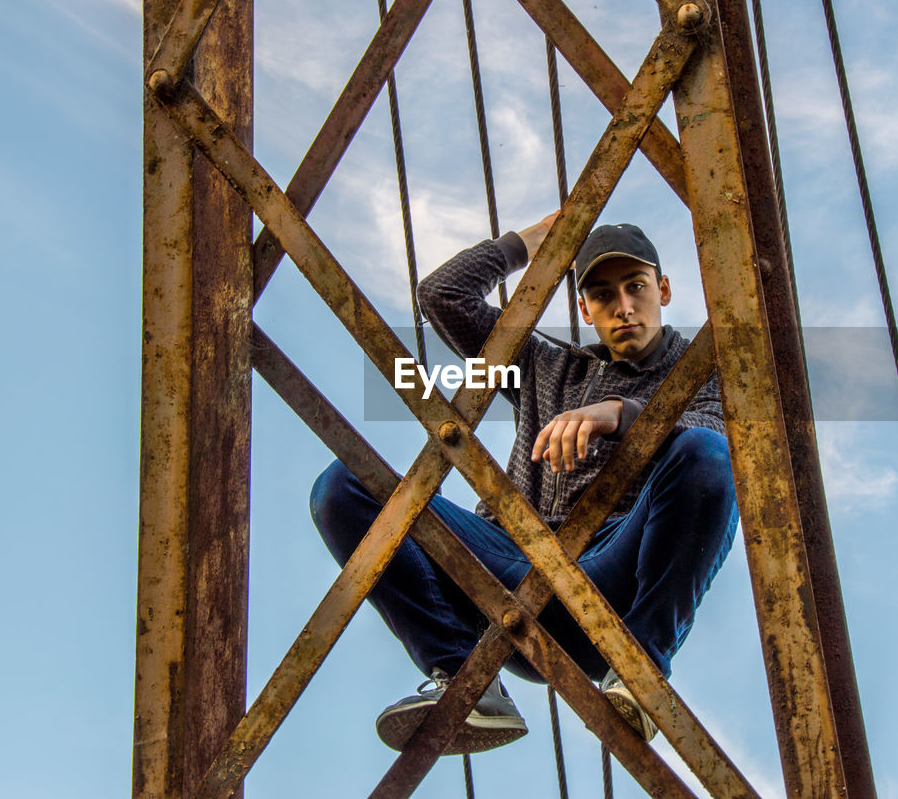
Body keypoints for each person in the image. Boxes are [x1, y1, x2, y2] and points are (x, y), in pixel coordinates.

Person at [310, 214, 739, 754]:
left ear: (664, 289)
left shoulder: (703, 368)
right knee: (346, 486)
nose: (624, 307)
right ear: (584, 309)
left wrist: (621, 414)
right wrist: (531, 244)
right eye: (603, 295)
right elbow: (442, 296)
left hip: (610, 580)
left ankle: (640, 674)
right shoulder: (544, 366)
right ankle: (469, 684)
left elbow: (718, 443)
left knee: (706, 454)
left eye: (637, 288)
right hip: (506, 567)